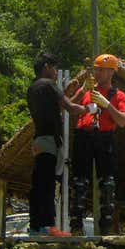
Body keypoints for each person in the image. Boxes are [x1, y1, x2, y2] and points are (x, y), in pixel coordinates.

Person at [70, 54, 125, 236]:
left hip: (105, 136)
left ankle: (106, 229)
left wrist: (108, 105)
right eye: (96, 69)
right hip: (84, 135)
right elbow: (69, 106)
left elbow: (123, 121)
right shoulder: (87, 91)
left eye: (101, 70)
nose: (98, 73)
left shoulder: (118, 95)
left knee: (107, 184)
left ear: (111, 72)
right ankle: (76, 228)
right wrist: (81, 91)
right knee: (79, 183)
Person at [27, 53, 84, 237]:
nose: (56, 71)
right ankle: (48, 225)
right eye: (54, 67)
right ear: (46, 66)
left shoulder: (33, 88)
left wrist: (75, 93)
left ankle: (35, 226)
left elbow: (58, 107)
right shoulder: (49, 85)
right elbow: (71, 108)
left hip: (38, 139)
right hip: (50, 139)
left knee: (38, 183)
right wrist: (90, 108)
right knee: (48, 183)